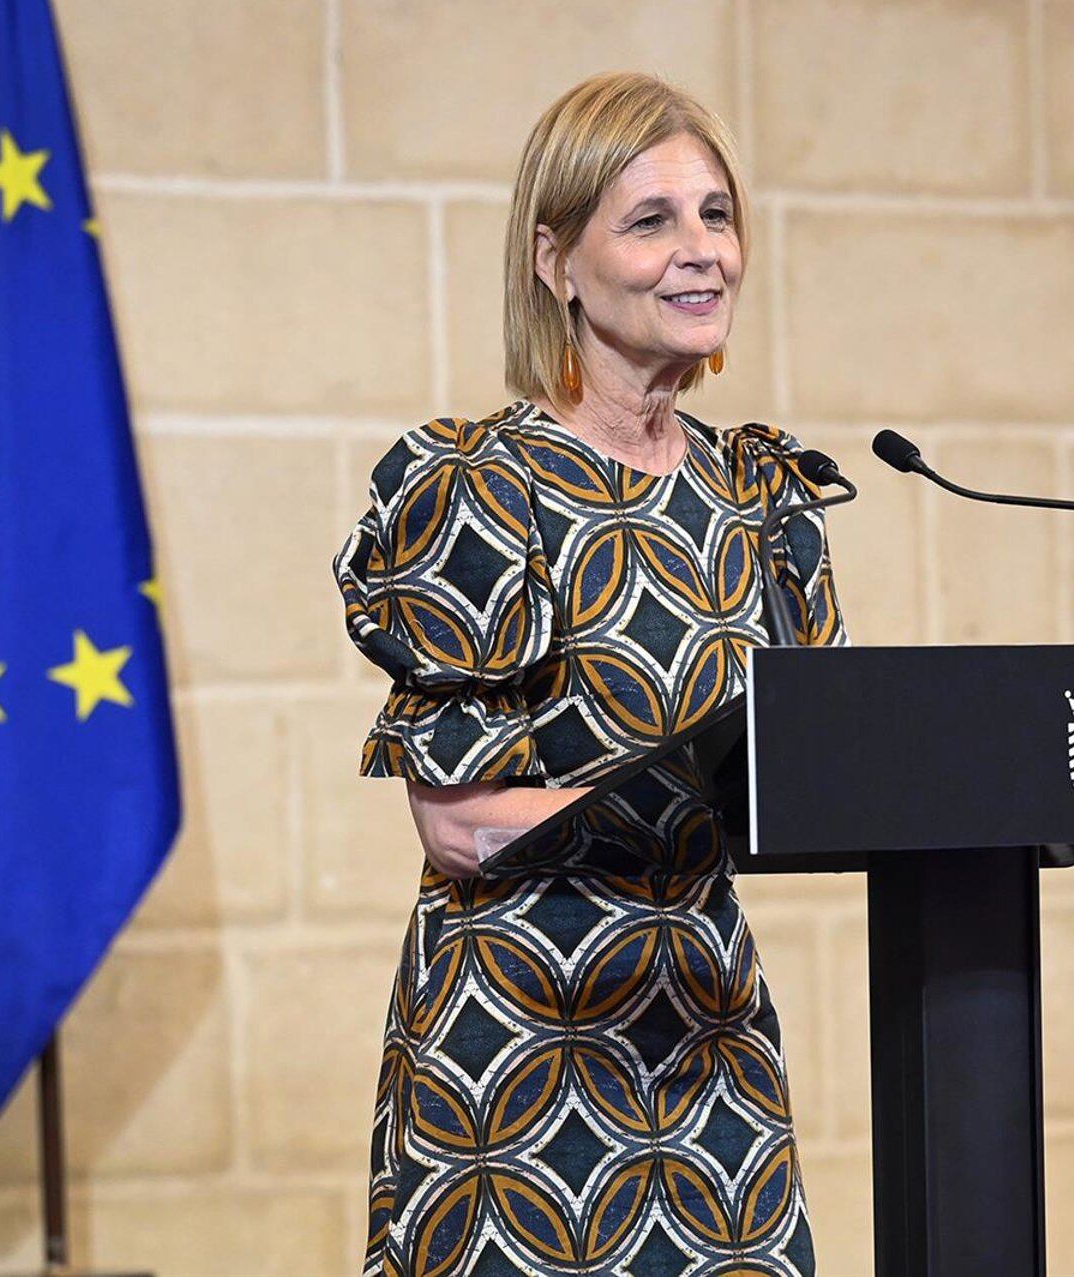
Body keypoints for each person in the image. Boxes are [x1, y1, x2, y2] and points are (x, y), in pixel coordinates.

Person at [333, 71, 845, 1276]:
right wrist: (669, 808)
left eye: (717, 214)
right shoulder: (477, 488)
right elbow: (460, 825)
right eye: (652, 220)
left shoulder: (759, 499)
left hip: (710, 1036)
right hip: (520, 1051)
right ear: (556, 259)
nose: (702, 251)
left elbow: (819, 770)